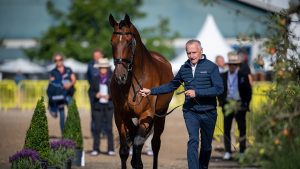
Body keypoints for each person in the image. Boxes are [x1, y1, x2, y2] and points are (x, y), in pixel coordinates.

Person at [139, 39, 224, 169]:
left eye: (194, 52)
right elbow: (171, 85)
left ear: (201, 51)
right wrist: (151, 91)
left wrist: (197, 92)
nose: (191, 56)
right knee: (193, 141)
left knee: (206, 146)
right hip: (190, 111)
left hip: (209, 112)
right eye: (188, 53)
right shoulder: (184, 68)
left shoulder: (211, 67)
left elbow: (219, 89)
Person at [218, 52, 252, 160]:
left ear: (237, 65)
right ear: (228, 65)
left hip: (239, 104)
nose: (232, 66)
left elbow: (248, 91)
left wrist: (246, 104)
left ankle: (242, 151)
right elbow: (219, 90)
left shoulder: (243, 75)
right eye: (230, 64)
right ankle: (228, 151)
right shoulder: (222, 76)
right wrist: (221, 103)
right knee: (226, 129)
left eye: (234, 64)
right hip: (227, 104)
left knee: (242, 128)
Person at [89, 58, 115, 156]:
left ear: (107, 68)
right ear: (99, 68)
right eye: (101, 67)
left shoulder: (112, 79)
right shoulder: (94, 79)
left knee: (109, 128)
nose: (103, 69)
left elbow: (116, 92)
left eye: (104, 67)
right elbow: (90, 92)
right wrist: (96, 95)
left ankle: (110, 149)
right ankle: (96, 149)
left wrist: (110, 96)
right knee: (97, 128)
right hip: (97, 106)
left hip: (109, 106)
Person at [48, 53, 76, 134]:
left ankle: (71, 130)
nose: (58, 61)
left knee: (72, 111)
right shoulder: (53, 71)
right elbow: (51, 83)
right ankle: (64, 134)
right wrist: (52, 81)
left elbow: (74, 79)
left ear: (62, 60)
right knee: (62, 115)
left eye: (60, 59)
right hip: (58, 96)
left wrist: (69, 84)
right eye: (56, 60)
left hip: (68, 94)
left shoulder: (68, 69)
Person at [87, 49, 104, 135]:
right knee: (94, 112)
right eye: (95, 56)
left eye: (98, 55)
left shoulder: (105, 64)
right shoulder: (90, 65)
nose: (96, 57)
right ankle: (94, 131)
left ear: (102, 56)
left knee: (105, 111)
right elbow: (89, 77)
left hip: (105, 91)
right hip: (94, 91)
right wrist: (95, 89)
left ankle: (104, 131)